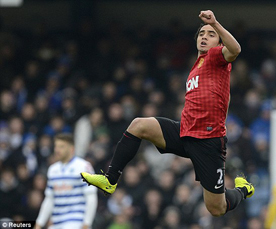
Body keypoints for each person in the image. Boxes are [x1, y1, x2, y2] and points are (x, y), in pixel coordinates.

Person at [81, 10, 254, 217]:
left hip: (208, 141)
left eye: (210, 34)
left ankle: (243, 189)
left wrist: (215, 23)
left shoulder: (216, 57)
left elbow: (235, 49)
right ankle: (110, 180)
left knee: (216, 208)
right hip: (184, 133)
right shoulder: (195, 67)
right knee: (139, 125)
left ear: (218, 42)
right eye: (201, 34)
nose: (204, 36)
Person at [35, 133, 97, 229]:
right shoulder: (52, 170)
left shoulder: (83, 167)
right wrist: (39, 223)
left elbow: (91, 197)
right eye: (56, 146)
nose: (57, 150)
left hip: (76, 221)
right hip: (56, 222)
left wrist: (87, 223)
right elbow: (49, 199)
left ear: (71, 149)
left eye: (61, 147)